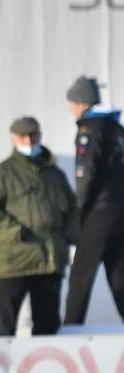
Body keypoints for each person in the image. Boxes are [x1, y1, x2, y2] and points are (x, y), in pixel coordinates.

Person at [0, 116, 78, 336]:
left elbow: (72, 210)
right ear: (14, 139)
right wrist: (16, 231)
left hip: (49, 260)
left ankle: (47, 369)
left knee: (48, 324)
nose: (29, 140)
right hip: (16, 260)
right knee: (7, 323)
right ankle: (2, 368)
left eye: (33, 135)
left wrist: (69, 237)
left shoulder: (55, 174)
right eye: (23, 136)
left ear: (40, 135)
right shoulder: (2, 173)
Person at [63, 76, 124, 325]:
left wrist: (81, 213)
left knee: (81, 275)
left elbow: (85, 176)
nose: (70, 109)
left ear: (80, 102)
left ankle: (70, 330)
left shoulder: (89, 129)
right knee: (119, 274)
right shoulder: (116, 128)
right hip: (120, 213)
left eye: (71, 103)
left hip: (100, 211)